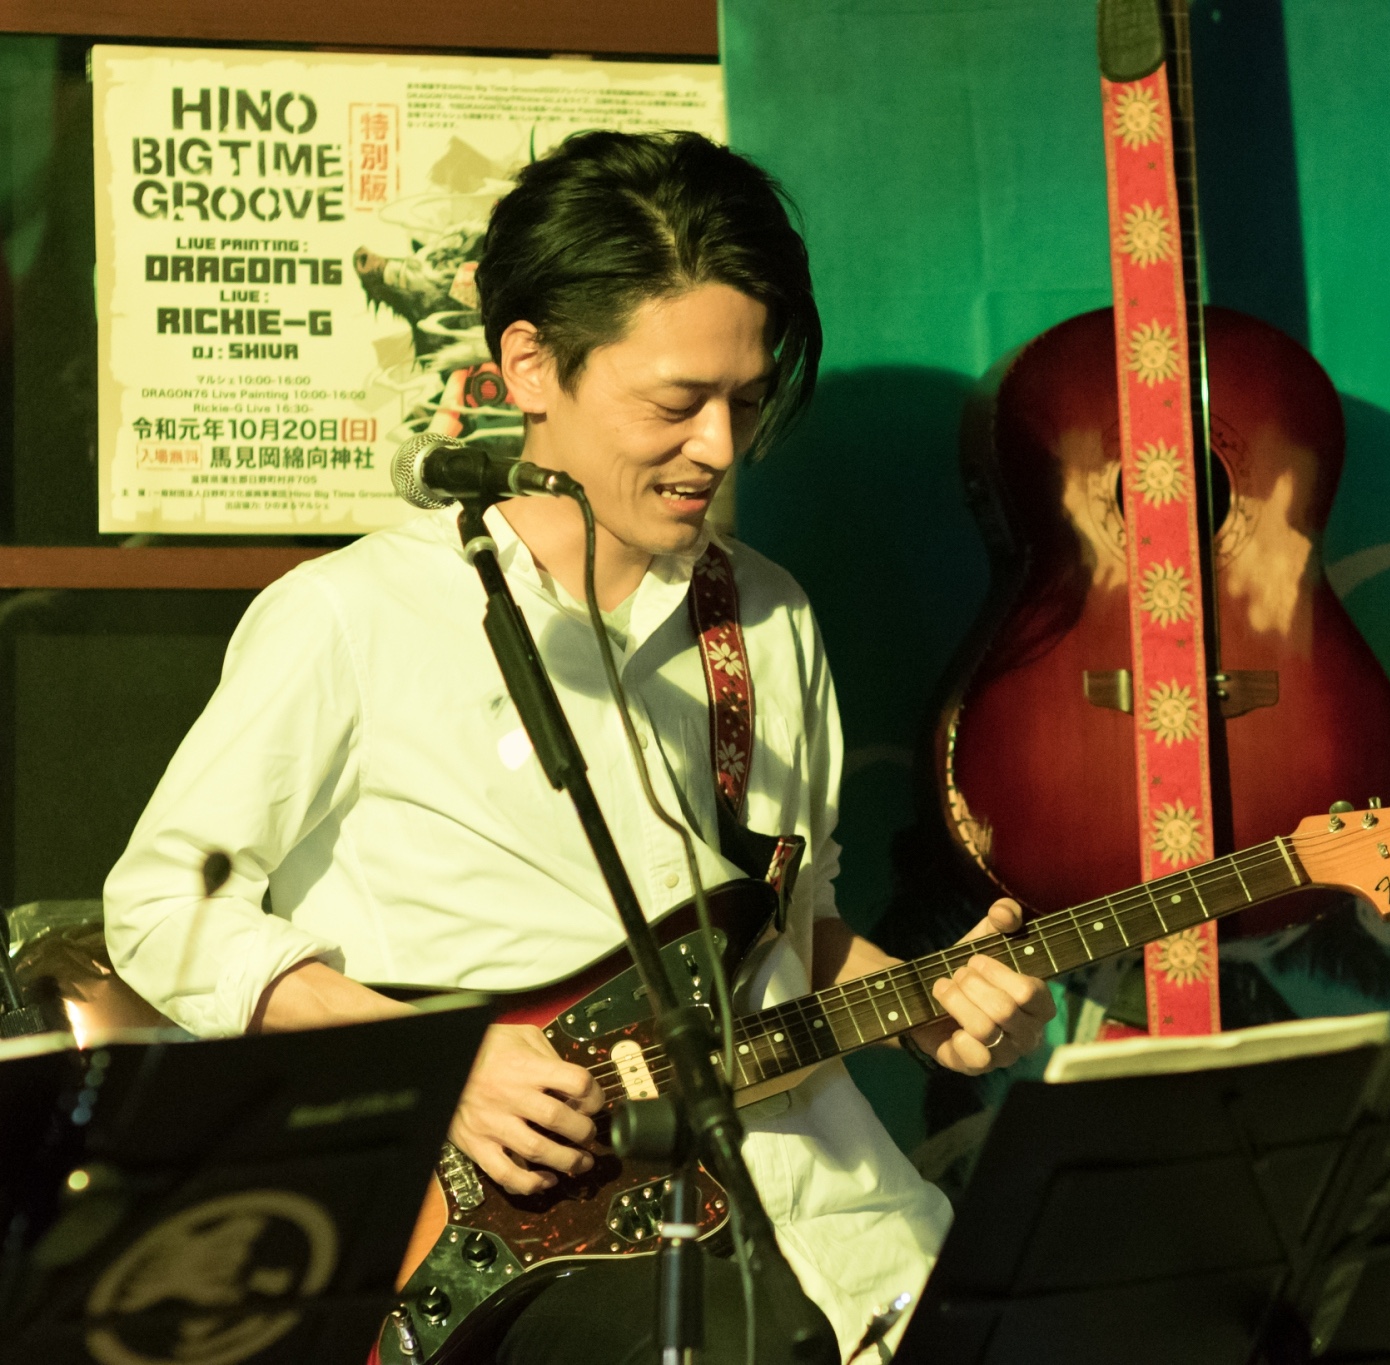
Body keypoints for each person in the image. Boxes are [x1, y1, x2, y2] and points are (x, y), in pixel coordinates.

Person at [102, 129, 1055, 1364]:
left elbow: (785, 931)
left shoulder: (767, 617)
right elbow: (163, 906)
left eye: (745, 400)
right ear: (530, 366)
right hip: (523, 1248)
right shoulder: (353, 615)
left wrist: (927, 1003)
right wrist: (438, 1063)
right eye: (674, 402)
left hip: (829, 1214)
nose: (719, 446)